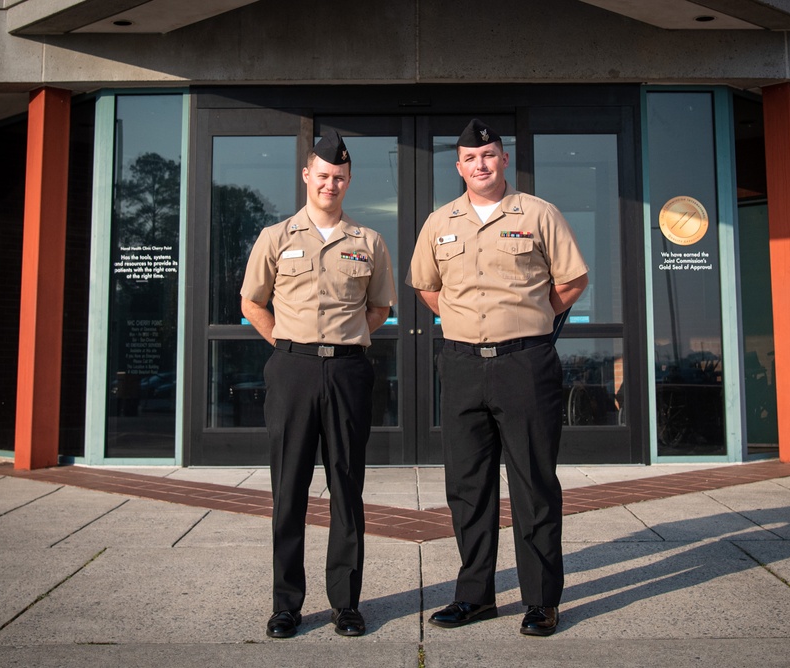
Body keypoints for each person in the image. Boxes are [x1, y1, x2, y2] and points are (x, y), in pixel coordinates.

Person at [407, 119, 588, 636]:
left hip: (524, 364)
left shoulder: (538, 213)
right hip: (462, 364)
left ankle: (541, 600)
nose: (479, 165)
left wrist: (531, 316)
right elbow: (428, 287)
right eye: (470, 158)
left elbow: (572, 279)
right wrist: (465, 324)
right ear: (458, 165)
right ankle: (475, 596)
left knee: (533, 483)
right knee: (467, 487)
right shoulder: (439, 222)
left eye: (488, 155)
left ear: (503, 159)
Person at [241, 130, 397, 639]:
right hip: (292, 369)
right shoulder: (275, 237)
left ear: (349, 182)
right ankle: (286, 604)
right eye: (323, 175)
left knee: (346, 487)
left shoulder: (368, 242)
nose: (331, 183)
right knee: (288, 489)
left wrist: (345, 341)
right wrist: (288, 345)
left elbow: (378, 309)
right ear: (307, 176)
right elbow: (252, 303)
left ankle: (345, 604)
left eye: (340, 177)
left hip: (349, 371)